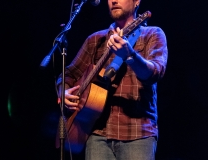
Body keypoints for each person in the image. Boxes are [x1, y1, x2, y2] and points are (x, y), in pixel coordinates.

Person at [56, 0, 168, 159]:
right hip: (96, 134)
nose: (114, 0)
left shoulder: (152, 34)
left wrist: (129, 55)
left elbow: (155, 73)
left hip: (137, 133)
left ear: (136, 2)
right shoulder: (95, 40)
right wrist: (63, 91)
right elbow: (68, 74)